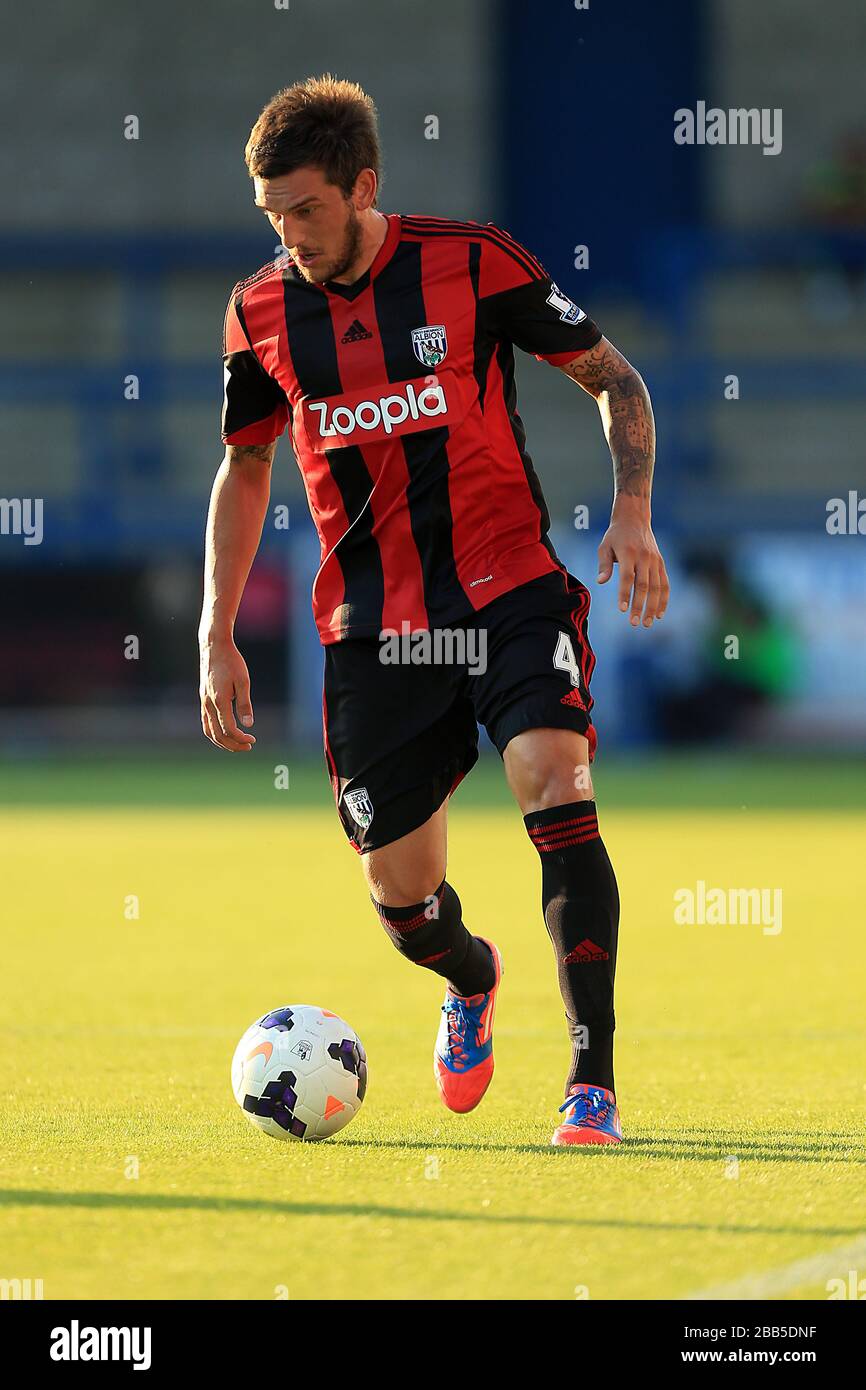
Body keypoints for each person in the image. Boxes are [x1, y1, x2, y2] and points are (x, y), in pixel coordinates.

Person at [199, 75, 669, 1146]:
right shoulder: (259, 308)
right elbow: (244, 465)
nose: (292, 237)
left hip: (506, 587)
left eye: (308, 210)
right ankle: (470, 978)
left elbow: (613, 378)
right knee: (404, 901)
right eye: (272, 217)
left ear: (364, 185)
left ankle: (589, 1080)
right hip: (375, 632)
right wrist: (214, 627)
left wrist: (631, 513)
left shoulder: (470, 260)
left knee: (554, 774)